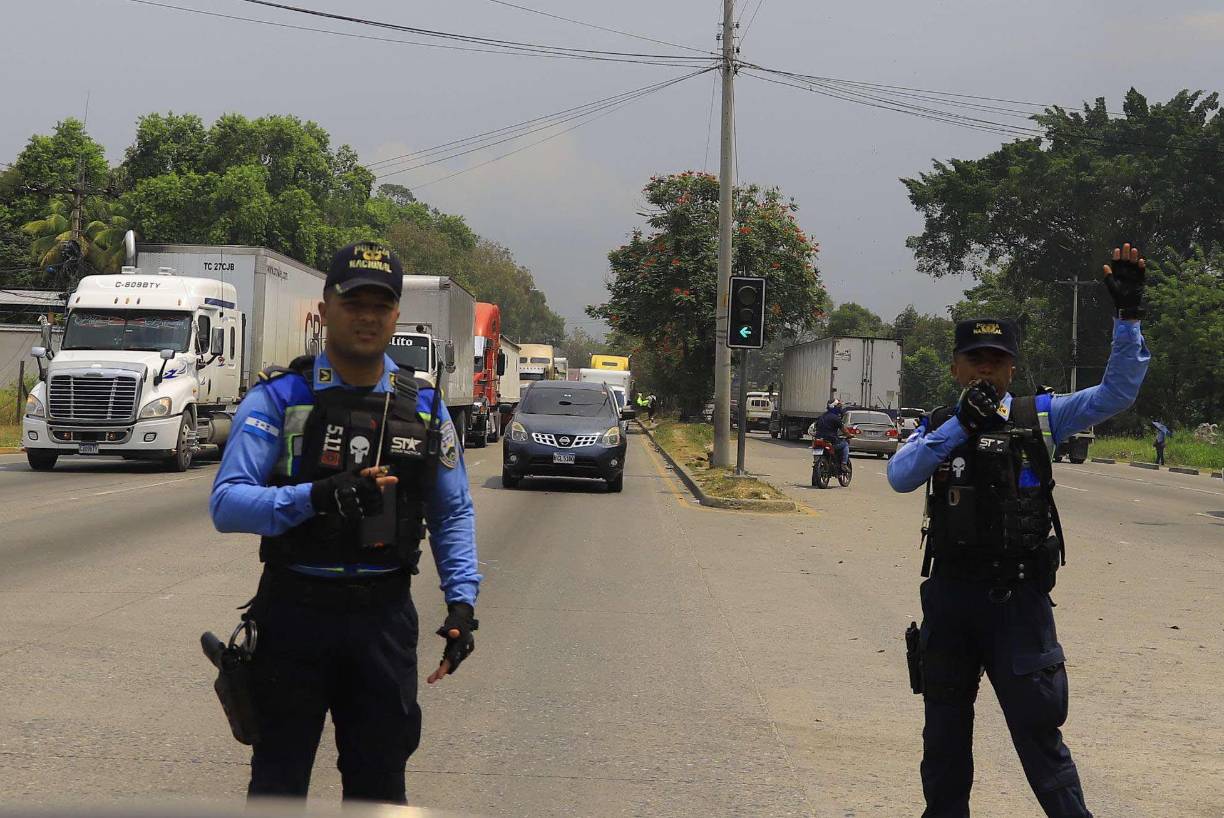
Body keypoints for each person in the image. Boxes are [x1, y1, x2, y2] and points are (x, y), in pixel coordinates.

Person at [209, 243, 482, 803]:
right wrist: (315, 497)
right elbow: (228, 504)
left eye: (380, 305)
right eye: (353, 301)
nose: (367, 316)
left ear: (396, 316)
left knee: (379, 789)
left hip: (382, 620)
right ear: (325, 307)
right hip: (293, 615)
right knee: (278, 787)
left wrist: (462, 602)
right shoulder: (280, 398)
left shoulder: (426, 409)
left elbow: (452, 511)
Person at [888, 244, 1150, 817]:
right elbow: (900, 477)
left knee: (1040, 742)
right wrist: (961, 423)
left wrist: (1127, 318)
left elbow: (1117, 395)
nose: (986, 368)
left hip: (1018, 604)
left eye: (997, 359)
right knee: (945, 746)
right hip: (952, 600)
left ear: (1012, 367)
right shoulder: (937, 426)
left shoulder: (1042, 416)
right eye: (975, 358)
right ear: (955, 366)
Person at [808, 399, 850, 472]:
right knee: (845, 444)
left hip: (819, 440)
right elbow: (844, 430)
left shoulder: (821, 417)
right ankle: (843, 464)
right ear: (834, 407)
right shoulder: (836, 418)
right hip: (831, 441)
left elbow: (814, 428)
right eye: (838, 406)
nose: (840, 408)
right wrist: (849, 435)